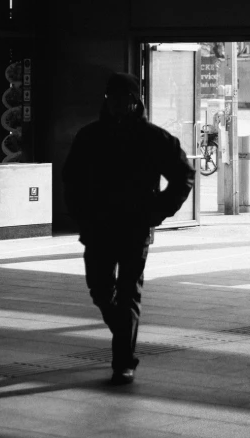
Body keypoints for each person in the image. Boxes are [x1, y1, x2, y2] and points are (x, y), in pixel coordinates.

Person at [63, 72, 195, 385]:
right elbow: (72, 180)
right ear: (107, 101)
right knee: (99, 289)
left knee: (127, 294)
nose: (118, 105)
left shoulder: (153, 138)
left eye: (125, 99)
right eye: (113, 99)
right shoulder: (90, 136)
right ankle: (123, 334)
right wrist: (81, 215)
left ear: (136, 102)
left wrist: (157, 212)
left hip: (135, 228)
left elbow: (183, 176)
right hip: (99, 227)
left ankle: (123, 361)